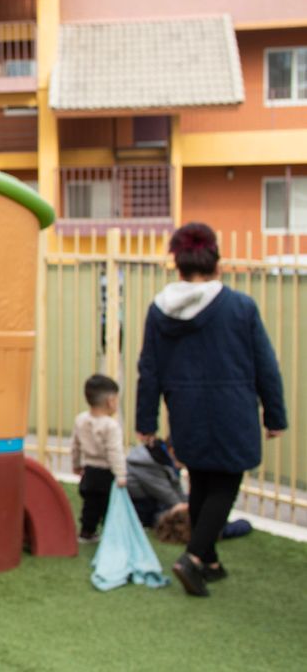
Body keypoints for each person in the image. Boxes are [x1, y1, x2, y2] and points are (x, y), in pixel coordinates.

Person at [136, 221, 286, 597]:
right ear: (215, 261)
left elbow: (149, 369)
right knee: (225, 483)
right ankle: (194, 557)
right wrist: (275, 416)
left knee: (202, 479)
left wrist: (146, 421)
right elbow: (265, 364)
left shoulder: (159, 311)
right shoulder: (240, 307)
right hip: (232, 408)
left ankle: (212, 561)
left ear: (179, 263)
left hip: (184, 410)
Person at [71, 374, 127, 543]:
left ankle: (86, 532)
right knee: (107, 504)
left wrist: (76, 465)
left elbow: (75, 445)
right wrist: (121, 474)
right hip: (106, 472)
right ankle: (111, 534)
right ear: (110, 401)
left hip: (89, 470)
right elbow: (114, 452)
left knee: (90, 503)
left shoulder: (81, 420)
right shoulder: (111, 425)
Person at [126, 437, 186, 528]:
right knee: (161, 514)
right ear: (173, 451)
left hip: (147, 496)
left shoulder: (162, 456)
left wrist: (184, 502)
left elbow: (174, 483)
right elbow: (162, 490)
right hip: (138, 500)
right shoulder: (151, 462)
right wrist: (181, 505)